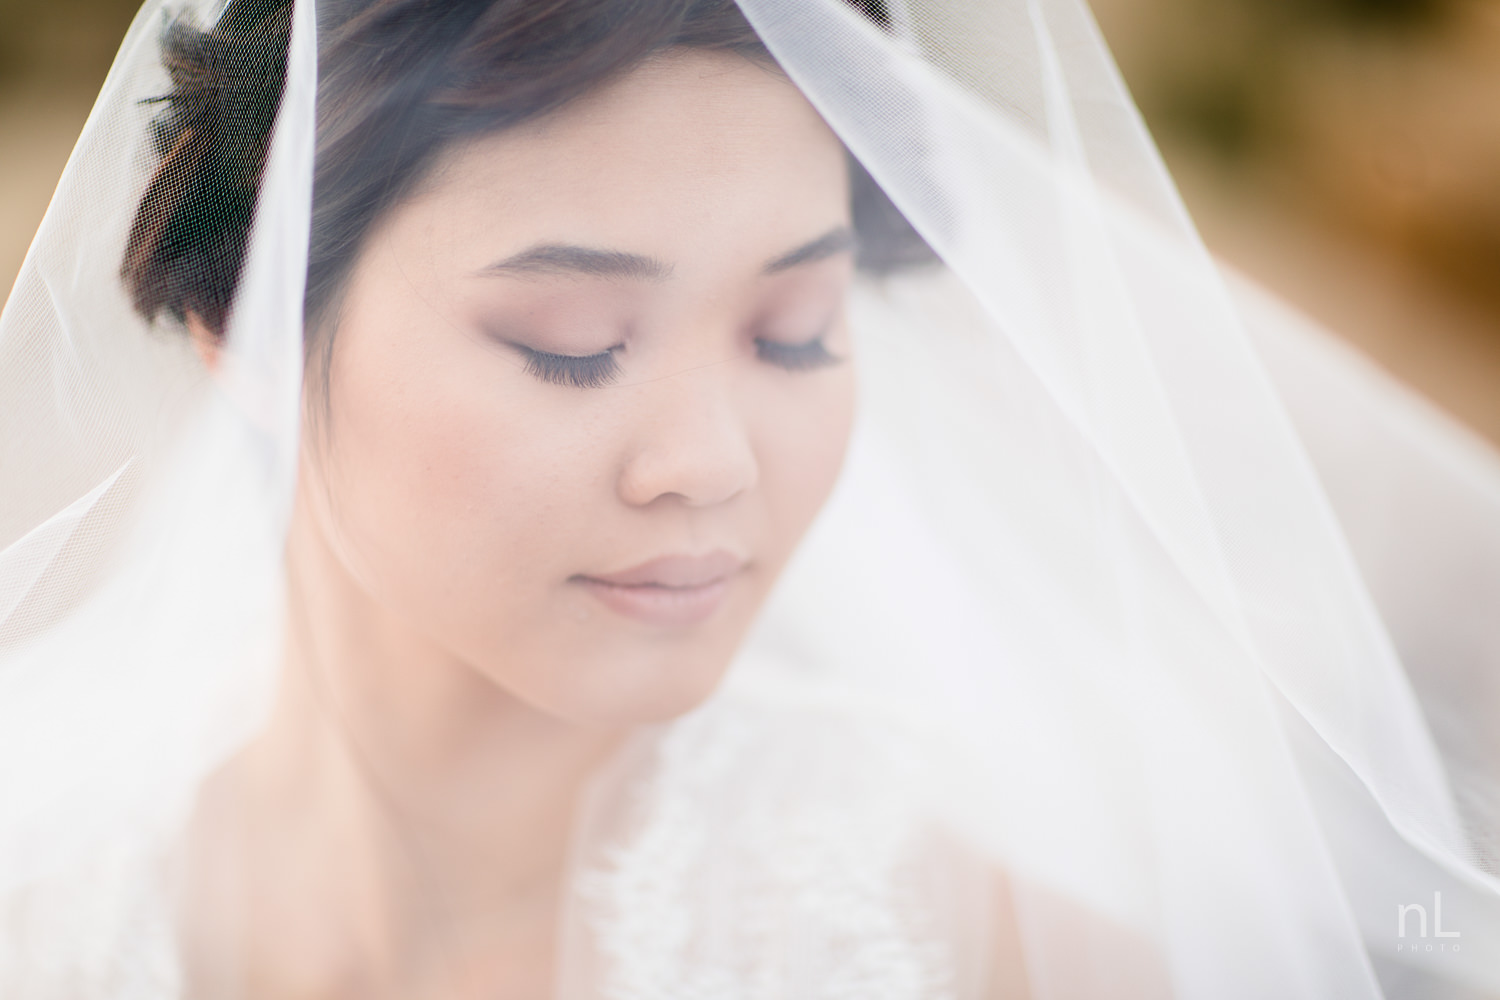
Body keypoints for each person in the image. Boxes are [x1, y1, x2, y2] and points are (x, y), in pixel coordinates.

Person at [2, 0, 1498, 996]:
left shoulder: (988, 945)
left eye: (796, 334)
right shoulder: (46, 908)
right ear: (244, 327)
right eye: (572, 348)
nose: (710, 461)